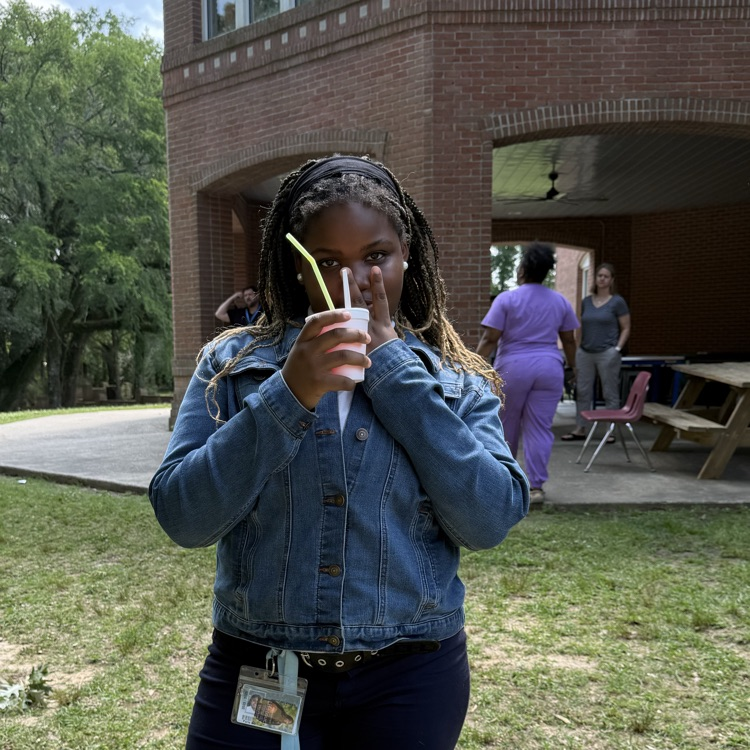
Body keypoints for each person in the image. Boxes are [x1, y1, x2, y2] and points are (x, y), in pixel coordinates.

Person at [149, 154, 529, 750]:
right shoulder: (232, 367)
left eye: (375, 256)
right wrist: (290, 392)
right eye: (327, 262)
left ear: (406, 254)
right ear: (298, 268)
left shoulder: (458, 381)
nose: (354, 283)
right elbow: (183, 517)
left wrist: (397, 375)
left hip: (410, 678)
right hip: (263, 667)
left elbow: (489, 520)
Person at [476, 242, 579, 505]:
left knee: (505, 426)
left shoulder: (507, 299)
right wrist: (573, 367)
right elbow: (569, 340)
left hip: (513, 368)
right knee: (540, 428)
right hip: (549, 369)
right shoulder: (560, 301)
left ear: (522, 269)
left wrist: (475, 364)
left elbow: (490, 338)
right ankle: (536, 487)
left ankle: (506, 482)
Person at [560, 262, 631, 442]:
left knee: (609, 392)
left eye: (606, 276)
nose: (602, 279)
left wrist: (617, 349)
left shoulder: (617, 302)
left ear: (611, 280)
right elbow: (581, 327)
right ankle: (581, 428)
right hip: (585, 352)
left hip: (608, 352)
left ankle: (610, 430)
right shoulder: (586, 302)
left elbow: (626, 327)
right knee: (582, 391)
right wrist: (578, 349)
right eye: (599, 275)